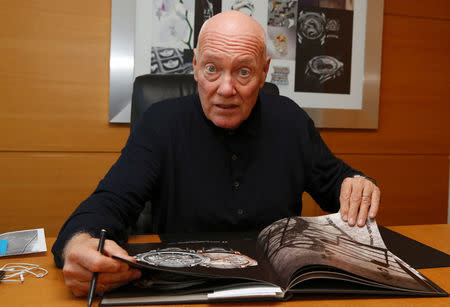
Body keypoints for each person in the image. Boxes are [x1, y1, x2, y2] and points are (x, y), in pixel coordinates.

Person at [52, 10, 380, 297]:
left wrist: (359, 186)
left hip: (276, 291)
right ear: (195, 66)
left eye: (243, 72)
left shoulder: (290, 120)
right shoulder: (160, 123)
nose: (225, 89)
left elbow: (339, 185)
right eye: (212, 68)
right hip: (183, 288)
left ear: (264, 72)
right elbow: (109, 201)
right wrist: (78, 245)